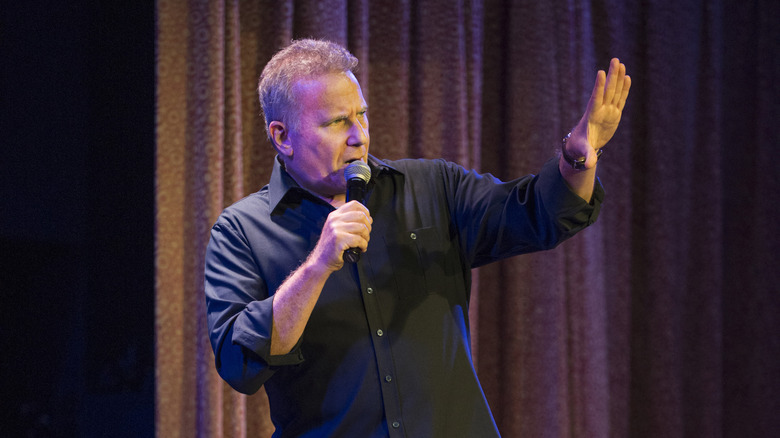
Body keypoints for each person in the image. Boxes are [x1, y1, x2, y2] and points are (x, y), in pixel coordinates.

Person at [205, 39, 630, 437]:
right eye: (337, 122)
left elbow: (535, 215)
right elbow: (239, 363)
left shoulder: (429, 186)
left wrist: (577, 159)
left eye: (362, 115)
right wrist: (317, 266)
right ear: (282, 136)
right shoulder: (240, 231)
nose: (359, 135)